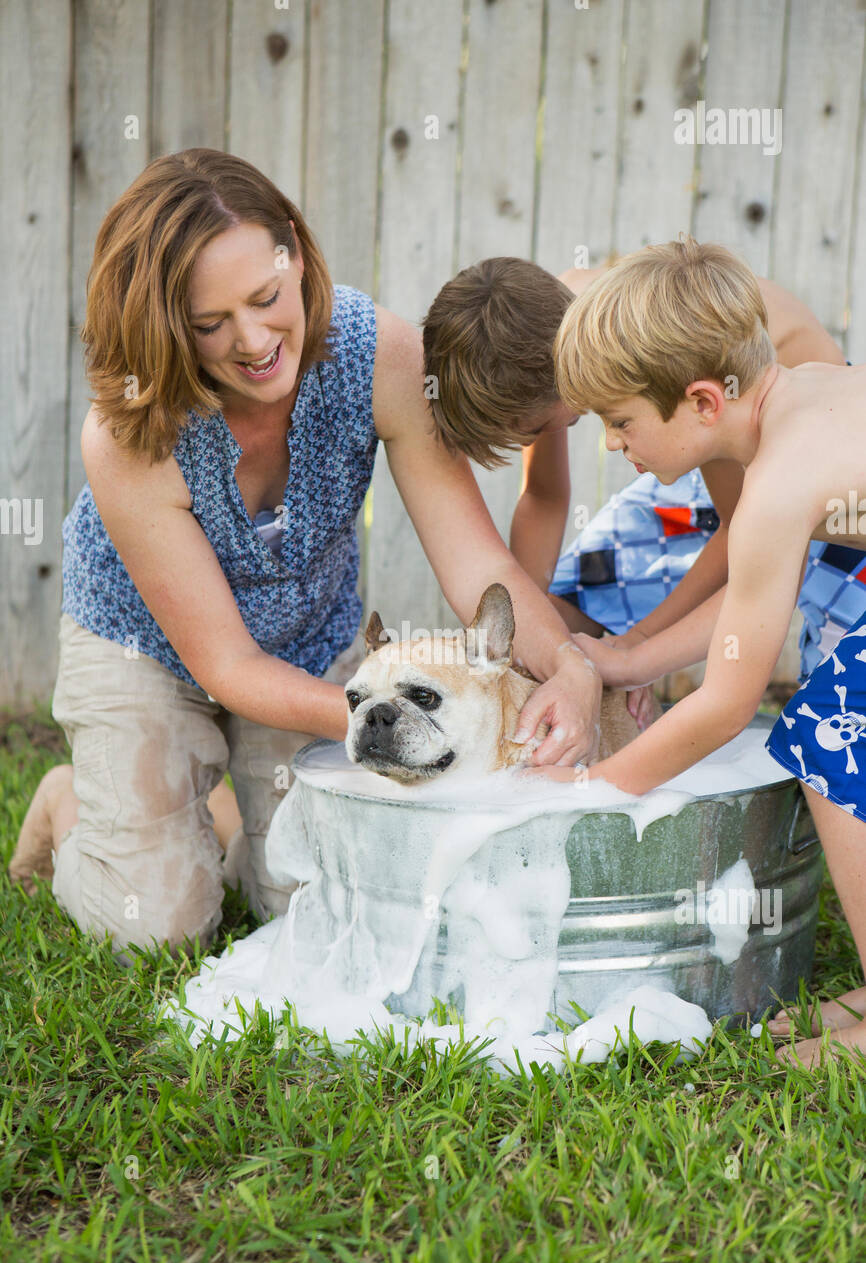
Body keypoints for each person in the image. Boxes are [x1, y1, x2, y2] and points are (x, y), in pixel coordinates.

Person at [7, 148, 599, 957]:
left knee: (311, 901)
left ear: (293, 249)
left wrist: (569, 666)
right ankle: (71, 802)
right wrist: (394, 717)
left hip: (307, 640)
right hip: (145, 646)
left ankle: (212, 814)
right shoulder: (126, 433)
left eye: (266, 298)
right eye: (210, 324)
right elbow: (229, 668)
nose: (253, 341)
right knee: (156, 927)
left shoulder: (383, 358)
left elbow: (478, 567)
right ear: (162, 325)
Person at [529, 235, 866, 1069]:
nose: (613, 446)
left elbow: (724, 700)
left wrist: (595, 789)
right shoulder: (813, 394)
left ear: (704, 402)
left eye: (621, 422)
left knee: (827, 731)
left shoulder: (777, 489)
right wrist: (628, 660)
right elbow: (744, 615)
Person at [421, 255, 854, 729]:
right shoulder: (551, 325)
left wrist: (640, 648)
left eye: (540, 429)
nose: (538, 441)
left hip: (822, 491)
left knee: (830, 715)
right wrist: (516, 634)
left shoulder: (687, 370)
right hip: (697, 464)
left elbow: (739, 535)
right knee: (561, 617)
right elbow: (544, 496)